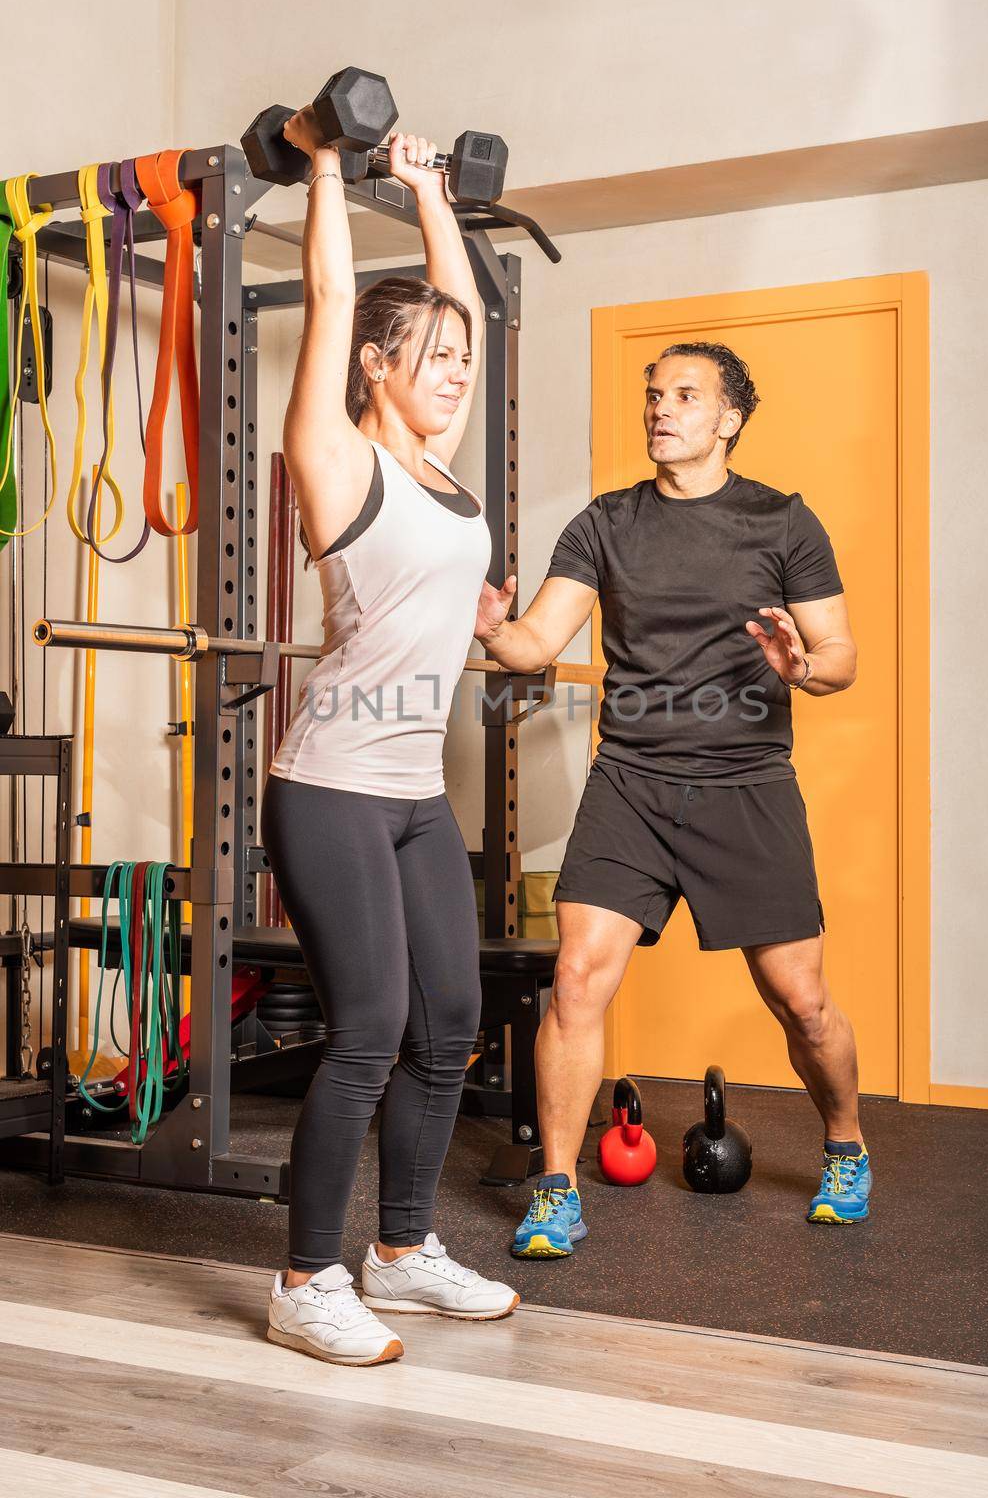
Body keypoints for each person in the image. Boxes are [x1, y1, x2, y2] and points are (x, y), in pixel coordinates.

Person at [474, 340, 871, 1258]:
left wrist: (801, 667)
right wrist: (490, 629)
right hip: (632, 785)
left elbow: (841, 657)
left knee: (800, 1001)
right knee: (575, 980)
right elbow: (537, 643)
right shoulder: (606, 523)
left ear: (729, 418)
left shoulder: (783, 521)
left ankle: (845, 1146)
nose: (661, 409)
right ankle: (557, 1189)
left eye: (686, 396)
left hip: (747, 786)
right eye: (654, 394)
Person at [261, 113, 518, 1365]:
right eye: (429, 356)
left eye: (463, 358)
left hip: (416, 791)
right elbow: (329, 291)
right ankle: (306, 1278)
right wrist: (325, 167)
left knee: (449, 1020)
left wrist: (424, 193)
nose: (457, 369)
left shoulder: (444, 468)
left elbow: (464, 303)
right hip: (330, 789)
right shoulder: (338, 458)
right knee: (368, 1025)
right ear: (373, 366)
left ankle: (403, 1253)